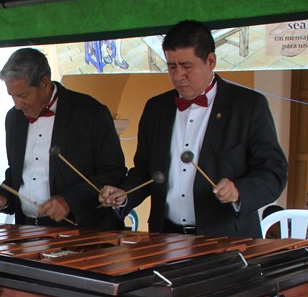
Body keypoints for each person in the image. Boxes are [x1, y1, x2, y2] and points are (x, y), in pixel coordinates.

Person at [100, 20, 288, 238]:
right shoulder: (156, 108)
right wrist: (125, 194)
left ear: (210, 61)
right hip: (165, 237)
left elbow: (273, 171)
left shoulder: (247, 106)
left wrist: (239, 190)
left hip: (225, 238)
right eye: (172, 67)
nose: (178, 76)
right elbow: (144, 170)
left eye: (187, 66)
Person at [0, 48, 126, 229]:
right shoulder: (14, 119)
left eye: (23, 95)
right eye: (12, 96)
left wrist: (69, 200)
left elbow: (113, 172)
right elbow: (18, 173)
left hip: (80, 231)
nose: (17, 105)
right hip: (27, 229)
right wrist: (3, 197)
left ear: (45, 83)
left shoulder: (90, 113)